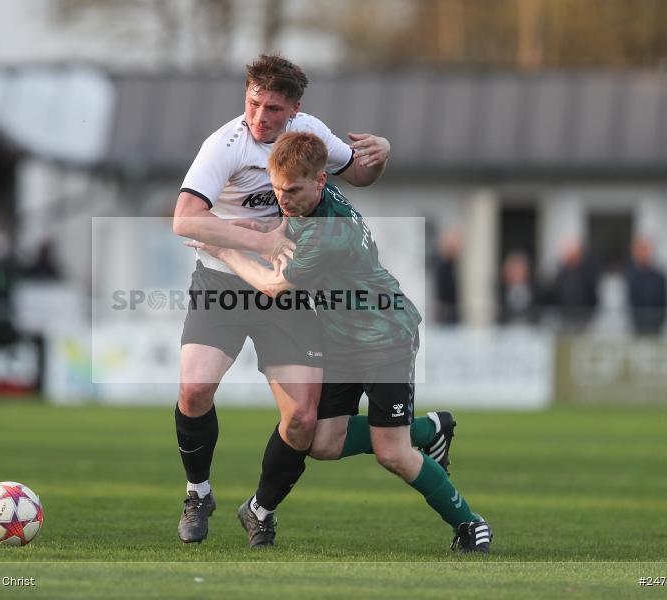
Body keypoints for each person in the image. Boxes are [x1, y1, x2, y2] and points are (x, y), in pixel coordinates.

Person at [170, 54, 451, 544]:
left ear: (295, 109)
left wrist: (382, 155)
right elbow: (183, 220)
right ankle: (198, 492)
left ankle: (263, 510)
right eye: (254, 104)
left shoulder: (311, 135)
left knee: (304, 421)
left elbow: (358, 175)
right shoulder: (224, 145)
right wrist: (260, 241)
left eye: (274, 109)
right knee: (194, 390)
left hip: (288, 289)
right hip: (222, 280)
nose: (260, 119)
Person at [190, 132, 492, 553]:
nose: (284, 199)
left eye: (292, 191)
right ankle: (430, 428)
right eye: (277, 190)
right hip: (341, 339)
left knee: (393, 453)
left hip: (385, 337)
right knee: (320, 442)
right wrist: (249, 226)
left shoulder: (327, 234)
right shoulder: (314, 194)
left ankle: (470, 523)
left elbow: (273, 285)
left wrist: (223, 252)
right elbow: (285, 225)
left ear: (318, 180)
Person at [546, 239, 598, 332]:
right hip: (564, 318)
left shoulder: (587, 273)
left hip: (582, 319)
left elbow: (593, 296)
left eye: (572, 252)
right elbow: (554, 294)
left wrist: (588, 315)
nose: (569, 255)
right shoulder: (561, 273)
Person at [625, 237, 667, 335]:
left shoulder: (660, 276)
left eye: (645, 249)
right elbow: (630, 300)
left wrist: (660, 320)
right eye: (639, 250)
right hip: (637, 325)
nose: (642, 253)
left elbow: (664, 301)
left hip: (656, 325)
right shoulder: (631, 274)